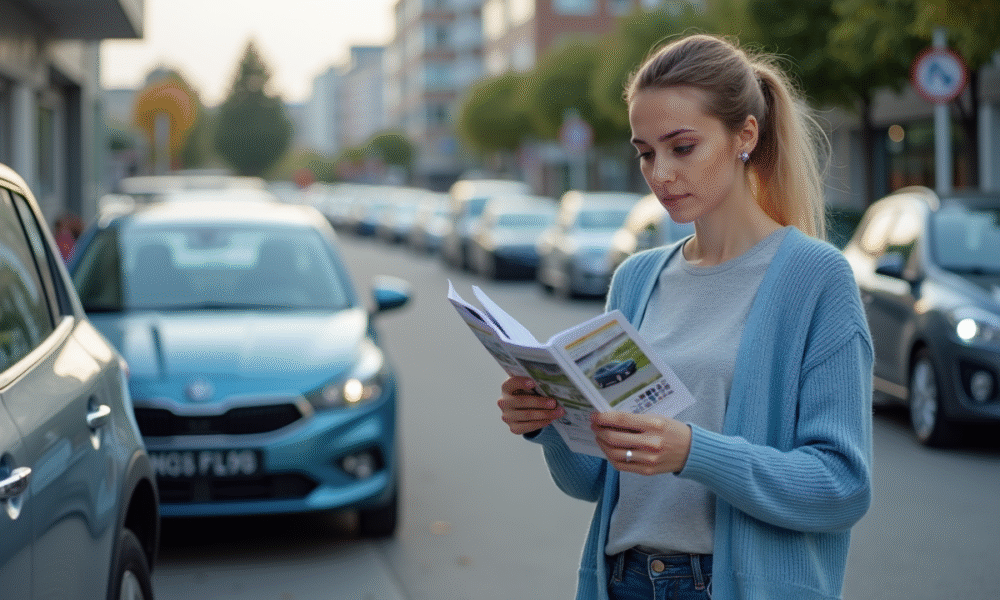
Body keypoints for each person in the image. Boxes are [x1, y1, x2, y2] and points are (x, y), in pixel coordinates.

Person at [497, 33, 873, 600]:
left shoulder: (816, 278)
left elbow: (841, 486)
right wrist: (551, 421)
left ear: (745, 134)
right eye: (646, 152)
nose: (661, 174)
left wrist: (694, 452)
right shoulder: (635, 279)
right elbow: (596, 481)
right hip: (622, 582)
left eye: (682, 147)